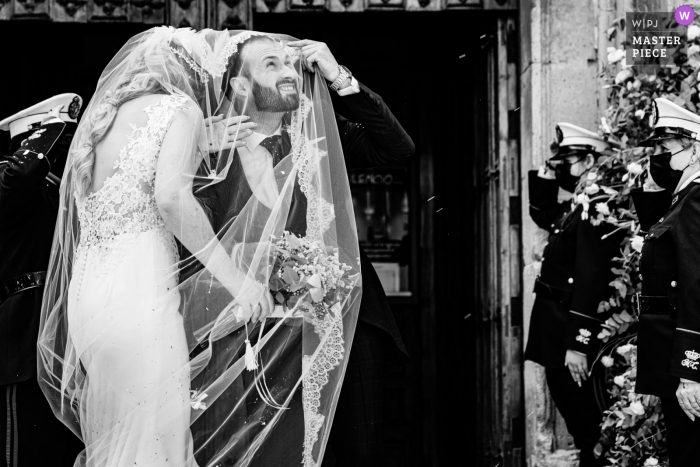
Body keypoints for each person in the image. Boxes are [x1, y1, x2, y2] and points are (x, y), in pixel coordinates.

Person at [38, 26, 363, 467]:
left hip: (92, 297)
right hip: (141, 297)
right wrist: (240, 282)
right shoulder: (180, 108)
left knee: (120, 439)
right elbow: (171, 199)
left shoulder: (107, 117)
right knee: (159, 442)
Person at [182, 31, 413, 467]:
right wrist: (194, 157)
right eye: (271, 64)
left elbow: (396, 150)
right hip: (251, 337)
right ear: (240, 85)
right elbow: (188, 241)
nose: (289, 72)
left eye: (291, 63)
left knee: (355, 451)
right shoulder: (210, 153)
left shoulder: (321, 137)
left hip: (346, 327)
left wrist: (338, 75)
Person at [525, 123, 623, 467]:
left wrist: (578, 344)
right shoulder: (579, 205)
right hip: (554, 330)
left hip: (570, 333)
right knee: (578, 422)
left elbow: (590, 279)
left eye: (570, 160)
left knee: (589, 432)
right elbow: (543, 212)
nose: (565, 167)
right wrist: (547, 172)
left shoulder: (596, 206)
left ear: (592, 160)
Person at [0, 94, 85, 467]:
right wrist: (52, 125)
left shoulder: (56, 190)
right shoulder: (8, 179)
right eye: (60, 138)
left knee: (58, 448)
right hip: (20, 336)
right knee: (22, 451)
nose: (65, 146)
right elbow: (20, 176)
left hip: (60, 334)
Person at [631, 97, 700, 467]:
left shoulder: (696, 197)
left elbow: (695, 285)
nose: (661, 156)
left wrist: (691, 370)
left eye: (668, 147)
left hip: (686, 362)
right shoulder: (683, 197)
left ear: (695, 150)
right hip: (670, 354)